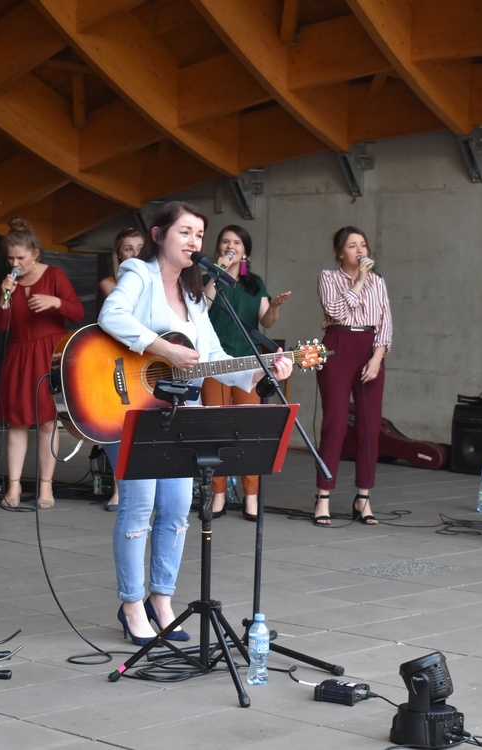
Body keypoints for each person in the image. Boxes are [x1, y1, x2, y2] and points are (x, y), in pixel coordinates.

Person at [97, 200, 292, 645]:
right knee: (138, 508)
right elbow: (111, 316)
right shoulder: (138, 273)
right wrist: (163, 349)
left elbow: (214, 358)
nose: (194, 241)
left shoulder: (194, 297)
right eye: (185, 232)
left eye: (199, 234)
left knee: (177, 509)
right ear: (159, 235)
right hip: (130, 406)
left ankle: (161, 599)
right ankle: (131, 605)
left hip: (182, 411)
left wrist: (261, 370)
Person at [201, 224, 291, 521]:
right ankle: (218, 495)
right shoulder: (208, 279)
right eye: (225, 242)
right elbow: (201, 307)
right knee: (215, 429)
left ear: (245, 252)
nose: (231, 246)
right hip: (213, 364)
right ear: (218, 248)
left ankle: (251, 496)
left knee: (248, 431)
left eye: (237, 243)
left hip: (248, 365)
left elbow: (267, 321)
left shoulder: (255, 285)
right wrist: (217, 272)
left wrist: (275, 306)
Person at [0, 218, 83, 509]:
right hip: (20, 355)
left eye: (20, 258)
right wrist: (5, 297)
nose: (14, 263)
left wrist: (55, 302)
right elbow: (1, 325)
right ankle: (14, 485)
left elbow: (78, 312)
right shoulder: (10, 283)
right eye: (10, 258)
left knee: (47, 422)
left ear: (35, 253)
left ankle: (46, 485)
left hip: (49, 353)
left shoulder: (54, 275)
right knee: (17, 422)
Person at [314, 226, 392, 528]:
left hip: (370, 348)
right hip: (337, 344)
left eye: (363, 245)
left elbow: (385, 321)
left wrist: (377, 357)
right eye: (352, 246)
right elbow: (335, 312)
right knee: (335, 422)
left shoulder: (378, 282)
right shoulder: (328, 277)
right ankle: (323, 496)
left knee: (370, 427)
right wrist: (358, 281)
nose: (360, 251)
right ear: (340, 253)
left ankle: (363, 497)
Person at [97, 227, 144, 511]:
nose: (136, 253)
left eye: (140, 248)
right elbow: (128, 313)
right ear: (119, 254)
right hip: (116, 356)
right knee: (117, 420)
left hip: (143, 356)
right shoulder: (110, 283)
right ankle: (119, 486)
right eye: (129, 248)